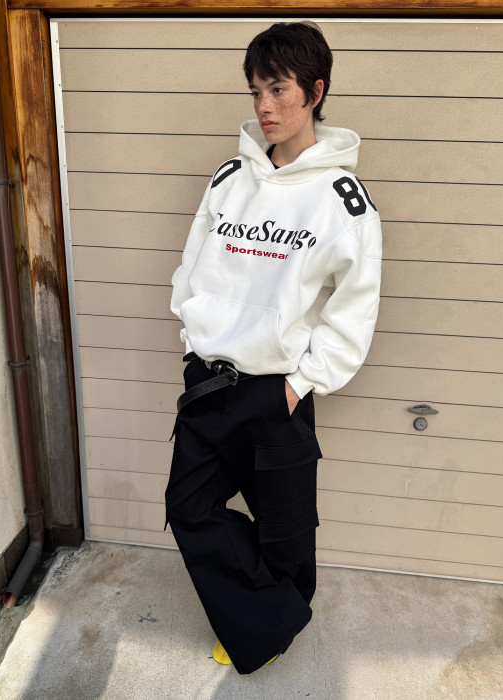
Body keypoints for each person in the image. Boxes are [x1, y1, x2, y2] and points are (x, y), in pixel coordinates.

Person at [165, 20, 382, 675]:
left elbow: (354, 306)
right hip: (210, 382)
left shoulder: (342, 202)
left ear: (315, 92)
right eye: (256, 90)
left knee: (286, 532)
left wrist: (299, 384)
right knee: (190, 509)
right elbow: (193, 264)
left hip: (275, 391)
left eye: (279, 89)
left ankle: (268, 624)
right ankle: (271, 618)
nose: (264, 105)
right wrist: (192, 329)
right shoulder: (231, 178)